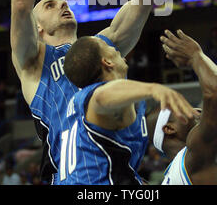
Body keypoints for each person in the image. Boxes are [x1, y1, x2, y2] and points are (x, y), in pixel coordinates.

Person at [10, 0, 167, 183]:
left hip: (117, 171)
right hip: (72, 176)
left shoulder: (102, 46)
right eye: (50, 5)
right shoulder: (34, 62)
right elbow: (19, 5)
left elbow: (145, 1)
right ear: (38, 28)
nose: (62, 5)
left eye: (63, 1)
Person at [54, 35, 197, 184]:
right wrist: (154, 88)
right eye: (108, 46)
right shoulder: (95, 96)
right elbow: (101, 97)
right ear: (107, 62)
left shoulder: (84, 103)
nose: (116, 49)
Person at [145, 29, 217, 185]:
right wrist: (195, 56)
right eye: (185, 108)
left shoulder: (176, 172)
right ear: (169, 128)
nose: (197, 110)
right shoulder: (197, 153)